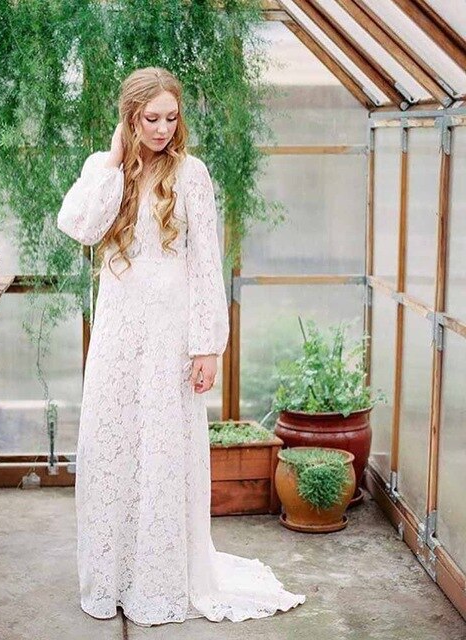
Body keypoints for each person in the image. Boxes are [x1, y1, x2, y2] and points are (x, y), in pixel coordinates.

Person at [57, 66, 306, 627]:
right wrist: (114, 160)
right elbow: (79, 226)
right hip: (119, 330)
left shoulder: (193, 174)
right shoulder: (103, 170)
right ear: (129, 118)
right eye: (150, 118)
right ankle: (112, 576)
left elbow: (205, 264)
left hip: (171, 332)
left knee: (164, 449)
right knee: (112, 444)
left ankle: (158, 579)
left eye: (171, 117)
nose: (163, 128)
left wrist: (207, 345)